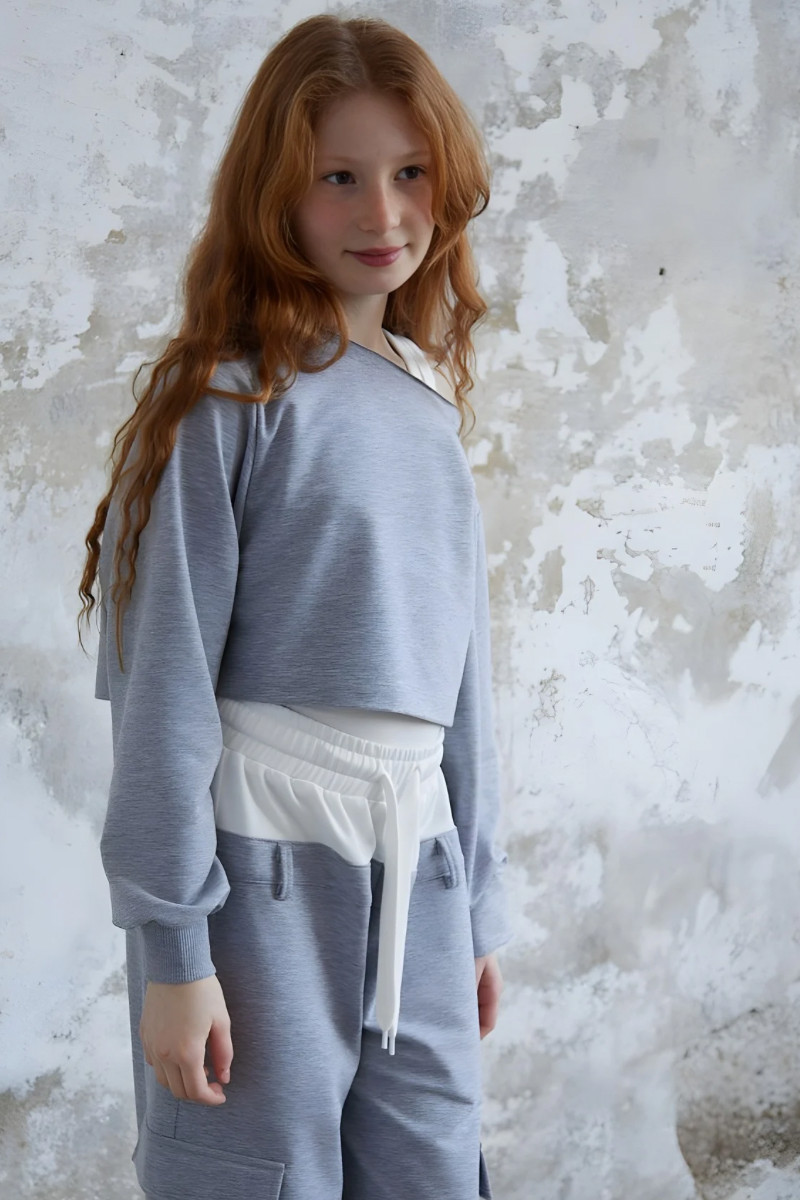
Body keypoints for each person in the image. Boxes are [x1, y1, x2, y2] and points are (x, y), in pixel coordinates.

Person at [77, 13, 513, 1200]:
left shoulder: (425, 404)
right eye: (338, 179)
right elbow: (164, 690)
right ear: (274, 193)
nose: (384, 214)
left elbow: (461, 681)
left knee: (431, 1173)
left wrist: (473, 904)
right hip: (262, 877)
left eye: (409, 173)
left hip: (419, 870)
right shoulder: (222, 404)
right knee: (255, 1175)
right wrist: (176, 953)